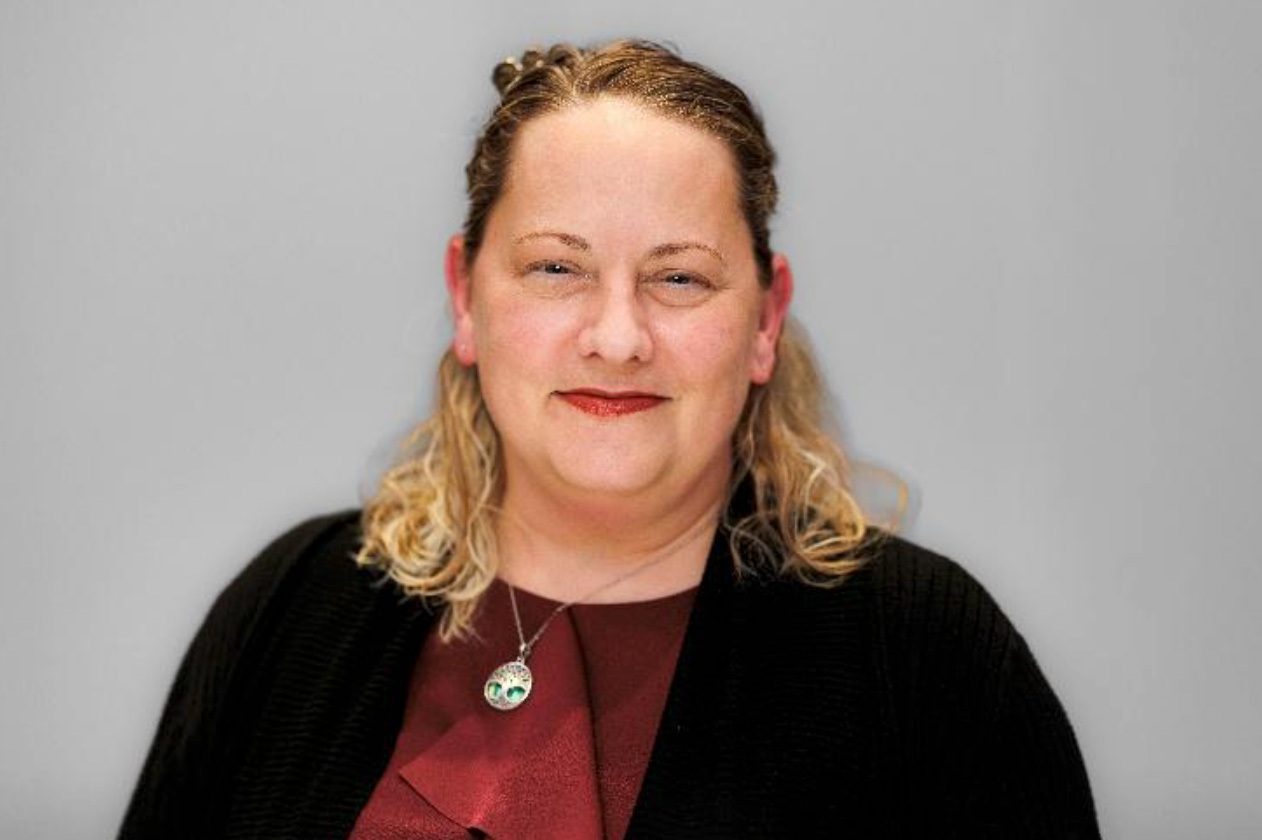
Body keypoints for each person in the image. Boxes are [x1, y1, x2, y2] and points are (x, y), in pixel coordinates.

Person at [119, 40, 1100, 839]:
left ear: (765, 319)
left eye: (679, 278)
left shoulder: (924, 657)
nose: (618, 338)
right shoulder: (294, 605)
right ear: (465, 296)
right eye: (556, 268)